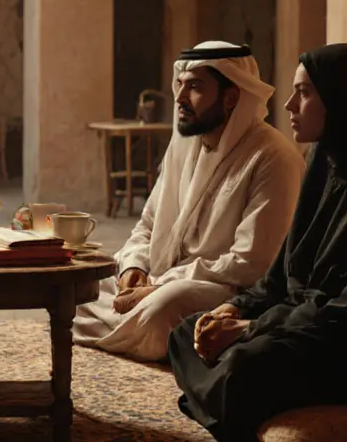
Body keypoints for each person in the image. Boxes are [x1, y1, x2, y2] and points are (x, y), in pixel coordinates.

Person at [168, 43, 347, 442]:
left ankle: (221, 398)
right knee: (184, 333)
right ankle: (220, 399)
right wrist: (236, 308)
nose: (288, 104)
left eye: (303, 93)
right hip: (306, 326)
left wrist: (249, 330)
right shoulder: (326, 159)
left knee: (244, 368)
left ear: (341, 100)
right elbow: (286, 268)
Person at [72, 42, 304, 361]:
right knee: (79, 287)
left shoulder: (272, 156)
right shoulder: (183, 145)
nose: (180, 98)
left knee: (164, 308)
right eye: (180, 85)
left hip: (225, 288)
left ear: (231, 96)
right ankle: (138, 335)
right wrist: (135, 269)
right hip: (162, 279)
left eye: (194, 87)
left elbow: (251, 262)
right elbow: (148, 223)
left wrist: (157, 285)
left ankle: (142, 333)